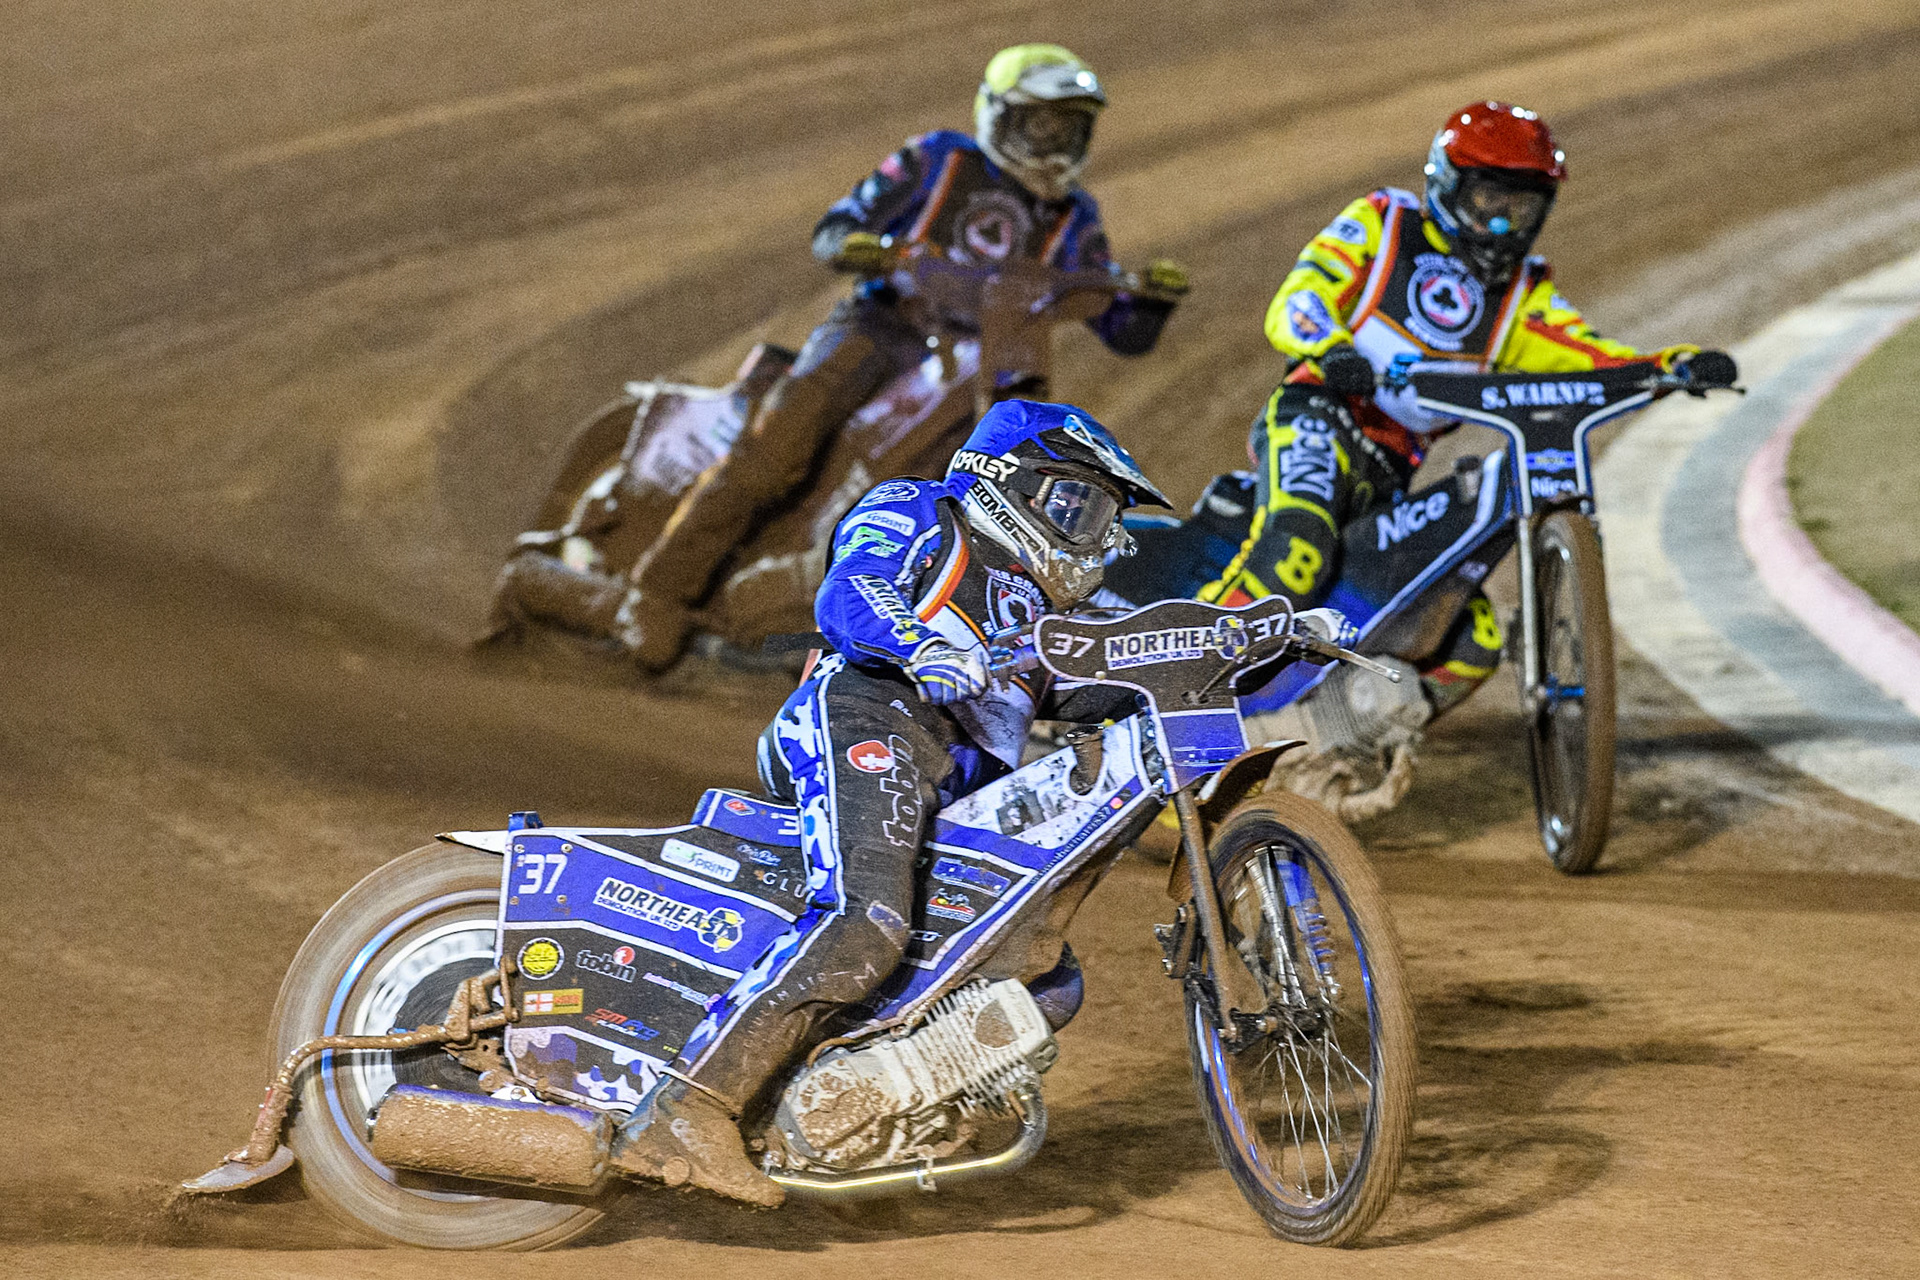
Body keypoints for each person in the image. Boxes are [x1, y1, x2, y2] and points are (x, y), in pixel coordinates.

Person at [610, 399, 1168, 1205]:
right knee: (866, 921)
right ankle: (686, 1109)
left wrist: (1272, 638)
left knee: (1041, 979)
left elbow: (1138, 654)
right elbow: (851, 590)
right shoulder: (923, 511)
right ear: (1007, 480)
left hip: (959, 783)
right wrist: (923, 643)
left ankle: (852, 1102)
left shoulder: (1059, 613)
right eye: (1076, 504)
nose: (1092, 533)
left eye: (1103, 516)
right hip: (866, 715)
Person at [616, 43, 1187, 670]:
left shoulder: (1076, 218)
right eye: (1044, 124)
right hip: (884, 325)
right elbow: (835, 228)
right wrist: (869, 249)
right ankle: (658, 590)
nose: (1057, 144)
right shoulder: (939, 158)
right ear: (1000, 115)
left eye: (1073, 128)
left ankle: (904, 632)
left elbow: (1124, 333)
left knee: (983, 494)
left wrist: (1150, 300)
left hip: (987, 363)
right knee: (784, 437)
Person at [1201, 100, 1738, 717]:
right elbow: (1299, 299)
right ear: (1449, 183)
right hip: (1317, 415)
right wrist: (1330, 349)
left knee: (1471, 638)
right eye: (1491, 200)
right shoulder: (1382, 222)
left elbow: (1583, 354)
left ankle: (1338, 738)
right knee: (1299, 549)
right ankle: (1176, 688)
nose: (1504, 224)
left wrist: (1670, 367)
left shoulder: (1518, 293)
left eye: (1523, 206)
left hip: (1391, 469)